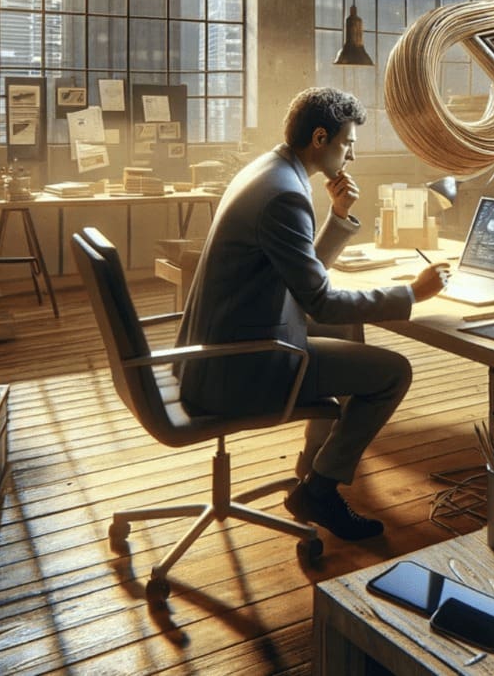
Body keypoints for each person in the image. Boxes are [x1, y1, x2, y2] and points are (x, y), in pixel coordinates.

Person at [175, 87, 448, 540]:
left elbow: (302, 278)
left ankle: (314, 460)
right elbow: (318, 300)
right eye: (348, 143)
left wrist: (338, 215)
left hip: (213, 351)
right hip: (238, 367)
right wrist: (412, 294)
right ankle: (320, 488)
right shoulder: (285, 196)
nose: (353, 155)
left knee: (345, 329)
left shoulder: (270, 171)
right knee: (392, 372)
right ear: (320, 138)